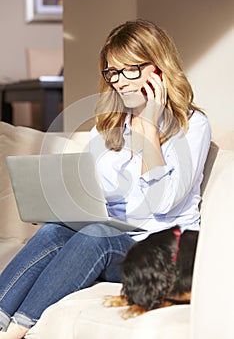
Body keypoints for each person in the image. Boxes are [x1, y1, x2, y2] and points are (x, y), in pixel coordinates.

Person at [0, 19, 211, 338]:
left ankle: (17, 331)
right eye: (113, 72)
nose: (120, 82)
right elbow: (98, 198)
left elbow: (165, 202)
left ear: (157, 69)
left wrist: (149, 131)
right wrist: (64, 205)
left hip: (162, 251)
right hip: (114, 239)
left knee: (96, 234)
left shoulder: (192, 126)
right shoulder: (108, 129)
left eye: (130, 70)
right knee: (55, 231)